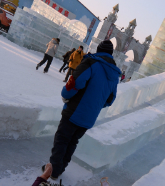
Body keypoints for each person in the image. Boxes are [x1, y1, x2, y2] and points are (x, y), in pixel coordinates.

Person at [51, 40, 121, 179]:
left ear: (99, 49)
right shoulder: (114, 74)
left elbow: (75, 82)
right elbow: (110, 99)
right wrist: (94, 105)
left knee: (62, 139)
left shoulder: (91, 62)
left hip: (75, 110)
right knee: (72, 141)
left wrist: (65, 95)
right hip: (89, 116)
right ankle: (60, 168)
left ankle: (53, 170)